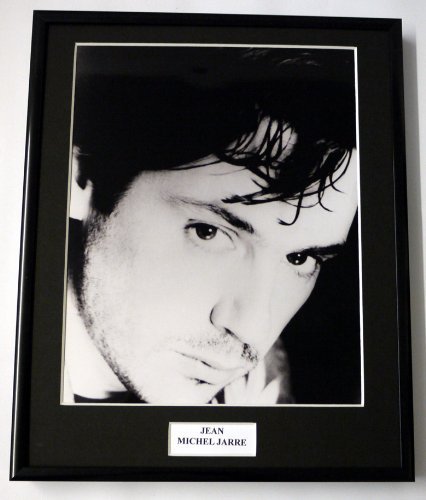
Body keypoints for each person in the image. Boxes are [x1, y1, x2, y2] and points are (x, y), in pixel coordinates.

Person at [63, 46, 359, 405]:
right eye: (208, 232)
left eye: (300, 258)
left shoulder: (267, 383)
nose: (252, 328)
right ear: (79, 178)